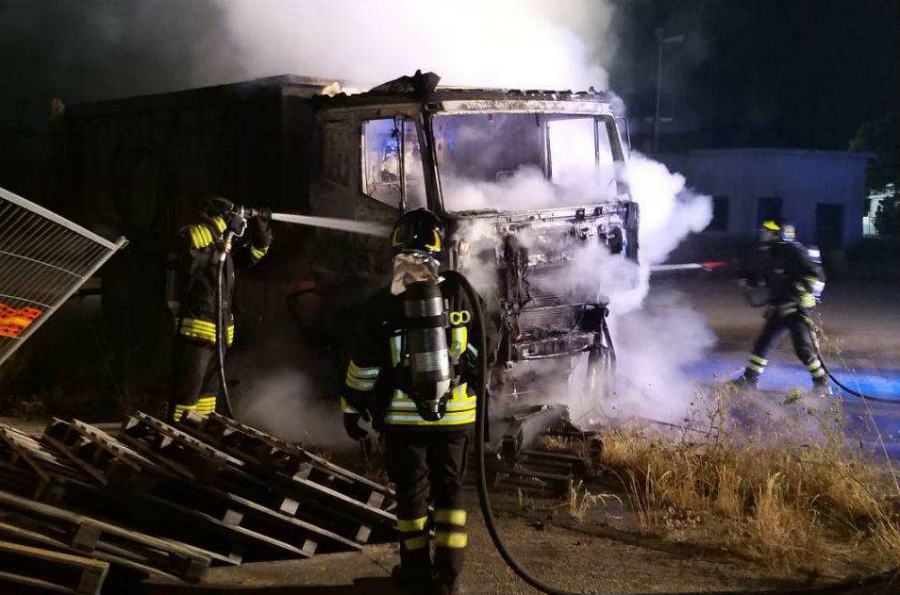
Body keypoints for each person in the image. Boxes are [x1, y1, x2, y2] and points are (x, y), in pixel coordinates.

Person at [340, 209, 479, 595]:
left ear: (397, 247)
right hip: (456, 418)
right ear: (439, 248)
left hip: (403, 421)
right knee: (451, 492)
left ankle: (416, 575)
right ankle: (448, 580)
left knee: (412, 496)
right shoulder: (462, 291)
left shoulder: (385, 301)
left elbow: (365, 365)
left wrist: (352, 407)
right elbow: (489, 347)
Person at [170, 197, 272, 421]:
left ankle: (197, 431)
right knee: (186, 395)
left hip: (220, 336)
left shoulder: (226, 253)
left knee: (207, 396)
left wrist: (260, 225)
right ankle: (175, 433)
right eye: (230, 216)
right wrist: (222, 224)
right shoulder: (197, 241)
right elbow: (190, 242)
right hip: (197, 333)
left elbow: (257, 253)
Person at [733, 219, 830, 396]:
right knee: (764, 342)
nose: (765, 234)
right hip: (780, 306)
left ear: (780, 233)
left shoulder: (796, 251)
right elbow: (767, 277)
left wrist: (798, 293)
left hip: (797, 309)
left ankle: (822, 382)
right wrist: (747, 278)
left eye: (769, 231)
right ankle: (749, 379)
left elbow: (815, 276)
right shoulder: (773, 253)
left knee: (803, 349)